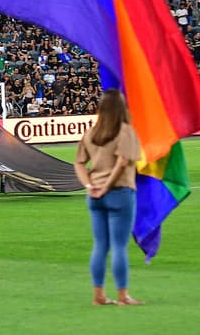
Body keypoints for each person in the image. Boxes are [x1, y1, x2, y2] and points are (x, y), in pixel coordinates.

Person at [73, 89, 143, 306]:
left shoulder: (91, 133)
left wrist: (89, 185)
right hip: (119, 192)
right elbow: (122, 163)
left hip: (94, 195)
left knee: (100, 245)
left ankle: (99, 295)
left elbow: (79, 163)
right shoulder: (125, 131)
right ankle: (123, 295)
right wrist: (107, 186)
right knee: (119, 246)